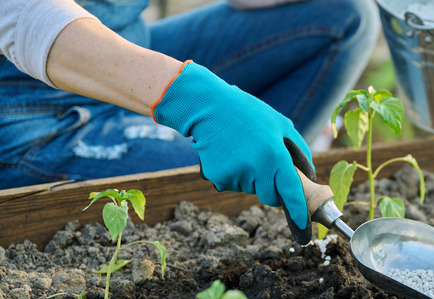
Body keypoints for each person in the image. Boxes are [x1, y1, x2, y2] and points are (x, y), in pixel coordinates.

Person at [0, 0, 380, 243]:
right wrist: (196, 99)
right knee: (218, 178)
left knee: (343, 15)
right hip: (31, 112)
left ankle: (265, 153)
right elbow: (21, 14)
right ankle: (253, 176)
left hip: (132, 46)